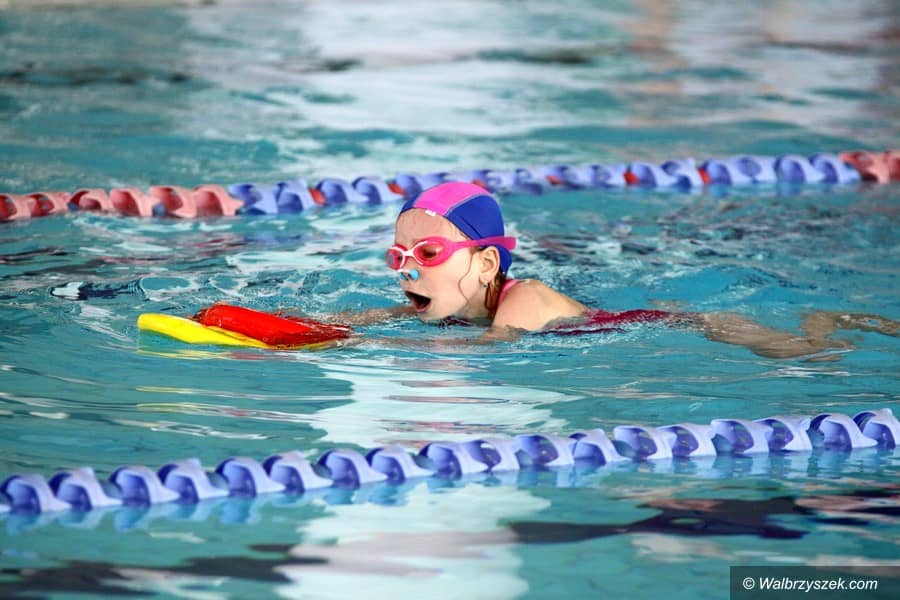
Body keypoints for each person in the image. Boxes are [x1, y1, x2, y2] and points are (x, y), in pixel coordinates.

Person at [342, 181, 897, 358]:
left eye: (428, 254)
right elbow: (368, 318)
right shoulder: (449, 305)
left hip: (690, 324)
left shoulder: (523, 298)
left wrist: (379, 349)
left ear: (487, 263)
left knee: (809, 353)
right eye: (399, 256)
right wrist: (316, 332)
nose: (407, 272)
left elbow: (492, 348)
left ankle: (832, 318)